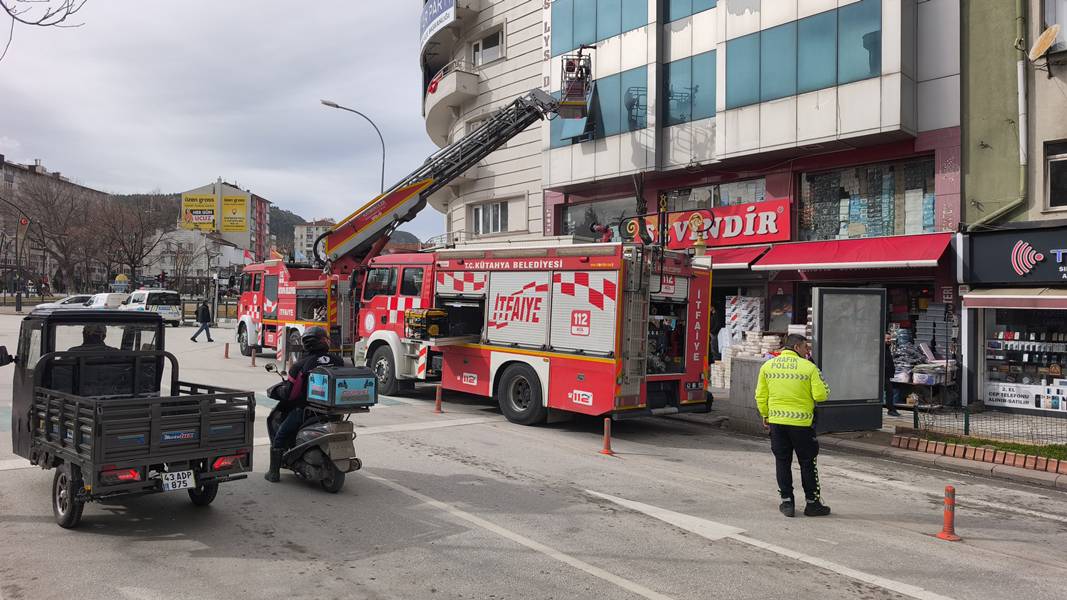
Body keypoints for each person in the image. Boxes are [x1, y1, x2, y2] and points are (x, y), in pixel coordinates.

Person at [754, 334, 832, 518]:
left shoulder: (768, 366)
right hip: (802, 425)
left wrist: (766, 415)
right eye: (806, 347)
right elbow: (821, 395)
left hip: (777, 424)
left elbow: (760, 396)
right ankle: (812, 504)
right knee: (807, 463)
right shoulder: (809, 368)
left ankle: (787, 503)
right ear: (797, 347)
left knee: (782, 462)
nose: (808, 351)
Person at [265, 326, 344, 483]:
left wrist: (278, 392)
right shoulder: (338, 361)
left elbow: (291, 394)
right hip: (333, 411)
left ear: (306, 344)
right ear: (324, 342)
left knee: (280, 435)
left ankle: (273, 473)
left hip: (306, 411)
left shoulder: (300, 365)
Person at [885, 332, 901, 417]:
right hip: (882, 375)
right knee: (889, 391)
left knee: (890, 392)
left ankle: (891, 409)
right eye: (887, 339)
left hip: (886, 375)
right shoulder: (882, 349)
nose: (889, 340)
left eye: (890, 339)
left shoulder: (887, 348)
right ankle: (891, 409)